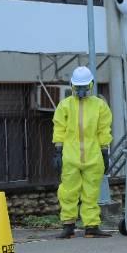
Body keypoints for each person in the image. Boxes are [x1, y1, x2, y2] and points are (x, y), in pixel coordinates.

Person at [52, 66, 113, 238]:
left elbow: (104, 130)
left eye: (84, 87)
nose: (80, 90)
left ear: (91, 85)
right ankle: (68, 225)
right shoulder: (65, 105)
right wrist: (58, 150)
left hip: (93, 156)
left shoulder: (99, 106)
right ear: (72, 85)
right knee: (68, 191)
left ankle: (91, 226)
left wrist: (104, 151)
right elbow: (59, 129)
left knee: (91, 192)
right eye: (78, 87)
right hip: (70, 156)